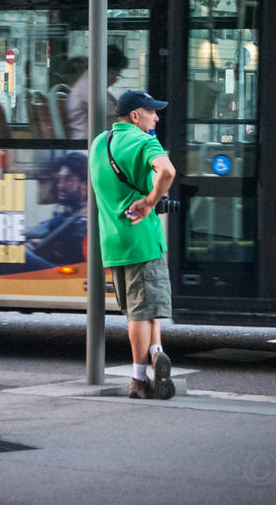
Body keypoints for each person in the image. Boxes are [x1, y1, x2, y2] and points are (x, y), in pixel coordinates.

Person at [88, 90, 176, 400]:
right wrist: (151, 201)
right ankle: (139, 380)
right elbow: (167, 172)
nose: (157, 117)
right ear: (135, 116)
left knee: (141, 309)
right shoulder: (144, 142)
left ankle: (156, 354)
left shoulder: (100, 142)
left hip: (113, 240)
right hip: (142, 239)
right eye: (152, 111)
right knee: (143, 312)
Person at [26, 152, 88, 266]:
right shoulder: (66, 215)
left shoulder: (88, 217)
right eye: (60, 179)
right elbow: (37, 230)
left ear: (85, 184)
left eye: (69, 179)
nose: (60, 185)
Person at [65, 45, 129, 139]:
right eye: (116, 75)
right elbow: (113, 124)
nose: (115, 80)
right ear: (108, 70)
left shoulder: (88, 84)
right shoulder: (91, 89)